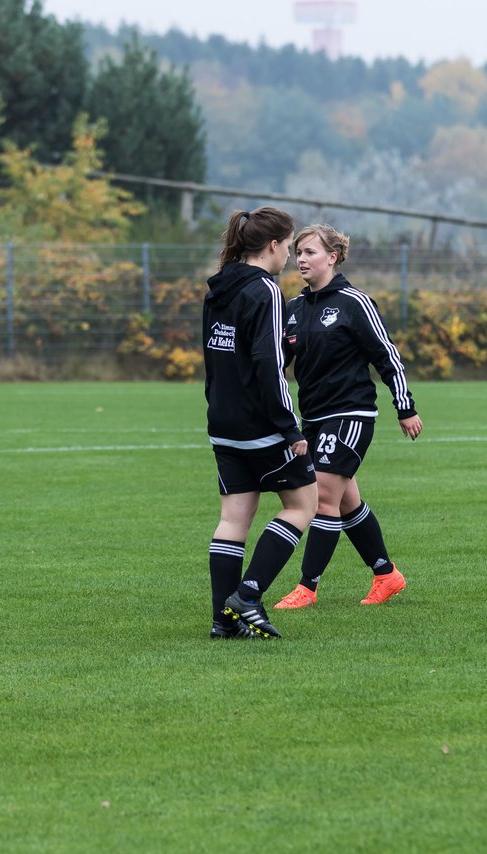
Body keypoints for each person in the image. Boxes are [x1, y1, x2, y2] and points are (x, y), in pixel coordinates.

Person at [271, 224, 422, 611]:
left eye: (310, 252)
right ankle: (387, 574)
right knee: (346, 502)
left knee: (323, 496)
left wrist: (405, 407)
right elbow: (277, 365)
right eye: (298, 252)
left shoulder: (355, 302)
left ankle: (307, 587)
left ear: (332, 257)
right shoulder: (294, 309)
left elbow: (387, 357)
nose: (300, 259)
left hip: (351, 413)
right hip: (314, 419)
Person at [203, 207, 318, 638]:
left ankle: (223, 622)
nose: (290, 254)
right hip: (261, 425)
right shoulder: (266, 290)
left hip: (223, 421)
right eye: (289, 245)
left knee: (234, 518)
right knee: (303, 504)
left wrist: (217, 408)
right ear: (273, 245)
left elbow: (213, 359)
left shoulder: (219, 286)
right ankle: (248, 596)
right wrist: (290, 427)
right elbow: (269, 366)